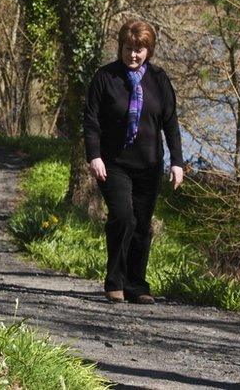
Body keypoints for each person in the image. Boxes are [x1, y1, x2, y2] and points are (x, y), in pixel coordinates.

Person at [83, 19, 184, 305]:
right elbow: (91, 121)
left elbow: (170, 123)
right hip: (113, 163)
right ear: (121, 47)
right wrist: (94, 156)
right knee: (123, 217)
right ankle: (114, 281)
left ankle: (137, 285)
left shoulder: (159, 80)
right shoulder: (105, 78)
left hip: (150, 165)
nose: (133, 55)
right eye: (128, 49)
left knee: (141, 225)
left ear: (149, 51)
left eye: (140, 50)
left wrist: (177, 162)